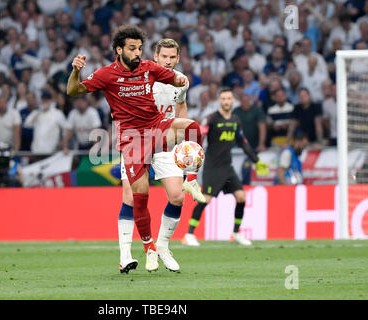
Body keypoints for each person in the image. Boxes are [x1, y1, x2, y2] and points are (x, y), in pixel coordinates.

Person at [66, 25, 202, 273]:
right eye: (132, 48)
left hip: (159, 132)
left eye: (140, 48)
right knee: (135, 198)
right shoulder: (107, 74)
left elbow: (176, 84)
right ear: (119, 50)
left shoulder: (150, 69)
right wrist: (75, 71)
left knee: (179, 188)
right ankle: (136, 251)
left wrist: (180, 79)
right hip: (132, 140)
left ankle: (163, 244)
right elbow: (73, 90)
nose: (138, 53)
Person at [118, 38, 205, 274]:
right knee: (130, 196)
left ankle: (163, 247)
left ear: (178, 58)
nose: (167, 61)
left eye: (172, 57)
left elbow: (181, 109)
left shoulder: (180, 81)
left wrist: (185, 144)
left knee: (178, 197)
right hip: (136, 140)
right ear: (155, 57)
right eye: (163, 56)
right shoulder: (140, 75)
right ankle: (125, 255)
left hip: (165, 142)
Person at [182, 87, 269, 247]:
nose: (226, 101)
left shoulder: (236, 120)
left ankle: (236, 233)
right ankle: (189, 234)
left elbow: (243, 142)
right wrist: (191, 149)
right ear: (219, 101)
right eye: (223, 99)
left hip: (227, 168)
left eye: (229, 99)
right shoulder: (211, 119)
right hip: (212, 168)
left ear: (233, 100)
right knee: (205, 199)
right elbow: (200, 135)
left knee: (241, 197)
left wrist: (256, 160)